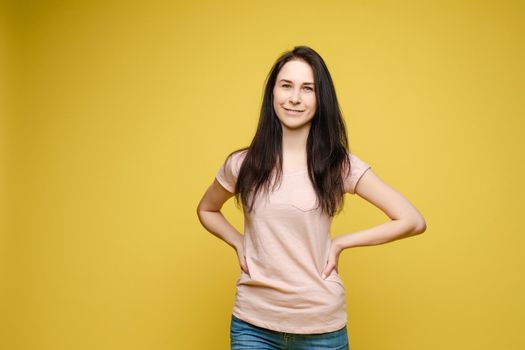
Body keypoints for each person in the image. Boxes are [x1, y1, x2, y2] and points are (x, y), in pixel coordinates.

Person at [196, 45, 427, 350]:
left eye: (308, 88)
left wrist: (342, 242)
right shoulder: (242, 164)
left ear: (321, 100)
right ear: (272, 93)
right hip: (253, 324)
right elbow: (207, 209)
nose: (294, 98)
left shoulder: (339, 164)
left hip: (321, 327)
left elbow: (412, 220)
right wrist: (239, 242)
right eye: (286, 86)